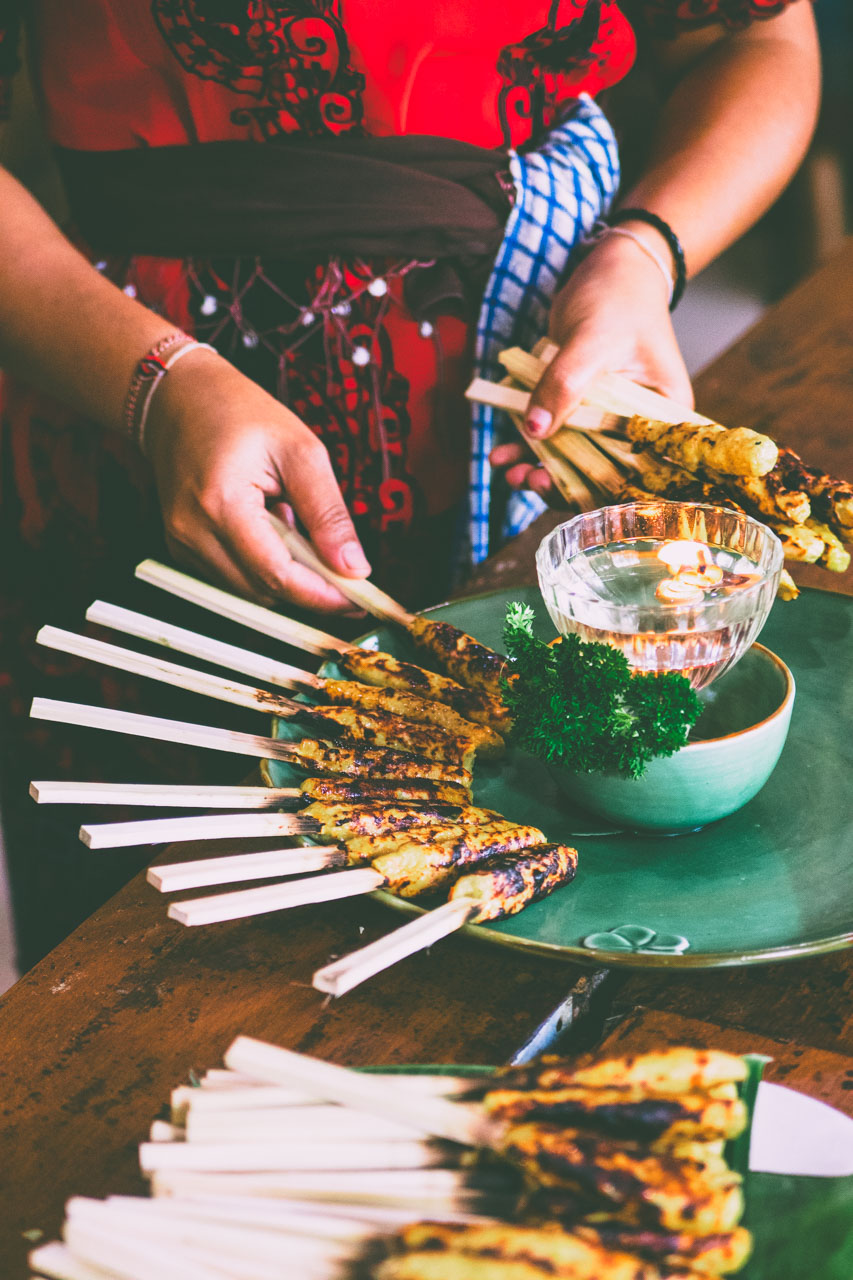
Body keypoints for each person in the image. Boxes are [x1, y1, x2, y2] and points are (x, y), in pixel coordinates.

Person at [0, 1, 819, 968]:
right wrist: (156, 386)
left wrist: (643, 249)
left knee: (553, 912)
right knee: (148, 972)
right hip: (122, 402)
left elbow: (759, 36)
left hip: (531, 420)